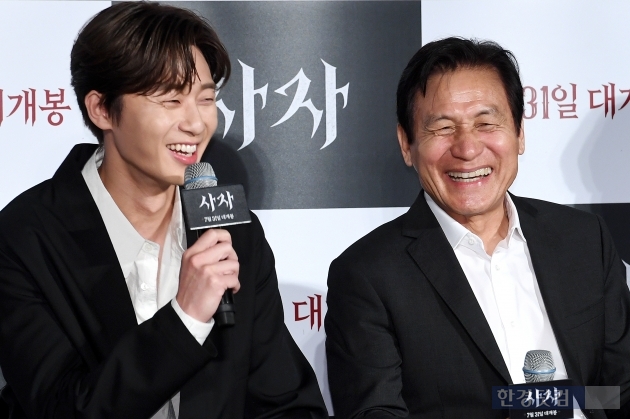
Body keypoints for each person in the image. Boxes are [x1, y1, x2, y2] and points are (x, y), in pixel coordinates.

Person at [0, 2, 327, 418]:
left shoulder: (231, 230)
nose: (195, 123)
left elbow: (286, 402)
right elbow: (60, 408)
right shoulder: (24, 237)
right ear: (102, 109)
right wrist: (185, 319)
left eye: (205, 99)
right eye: (170, 100)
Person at [325, 37, 630, 419]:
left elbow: (619, 391)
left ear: (519, 132)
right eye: (442, 128)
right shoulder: (367, 274)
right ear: (407, 144)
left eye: (486, 123)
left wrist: (565, 403)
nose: (467, 148)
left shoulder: (584, 239)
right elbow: (376, 412)